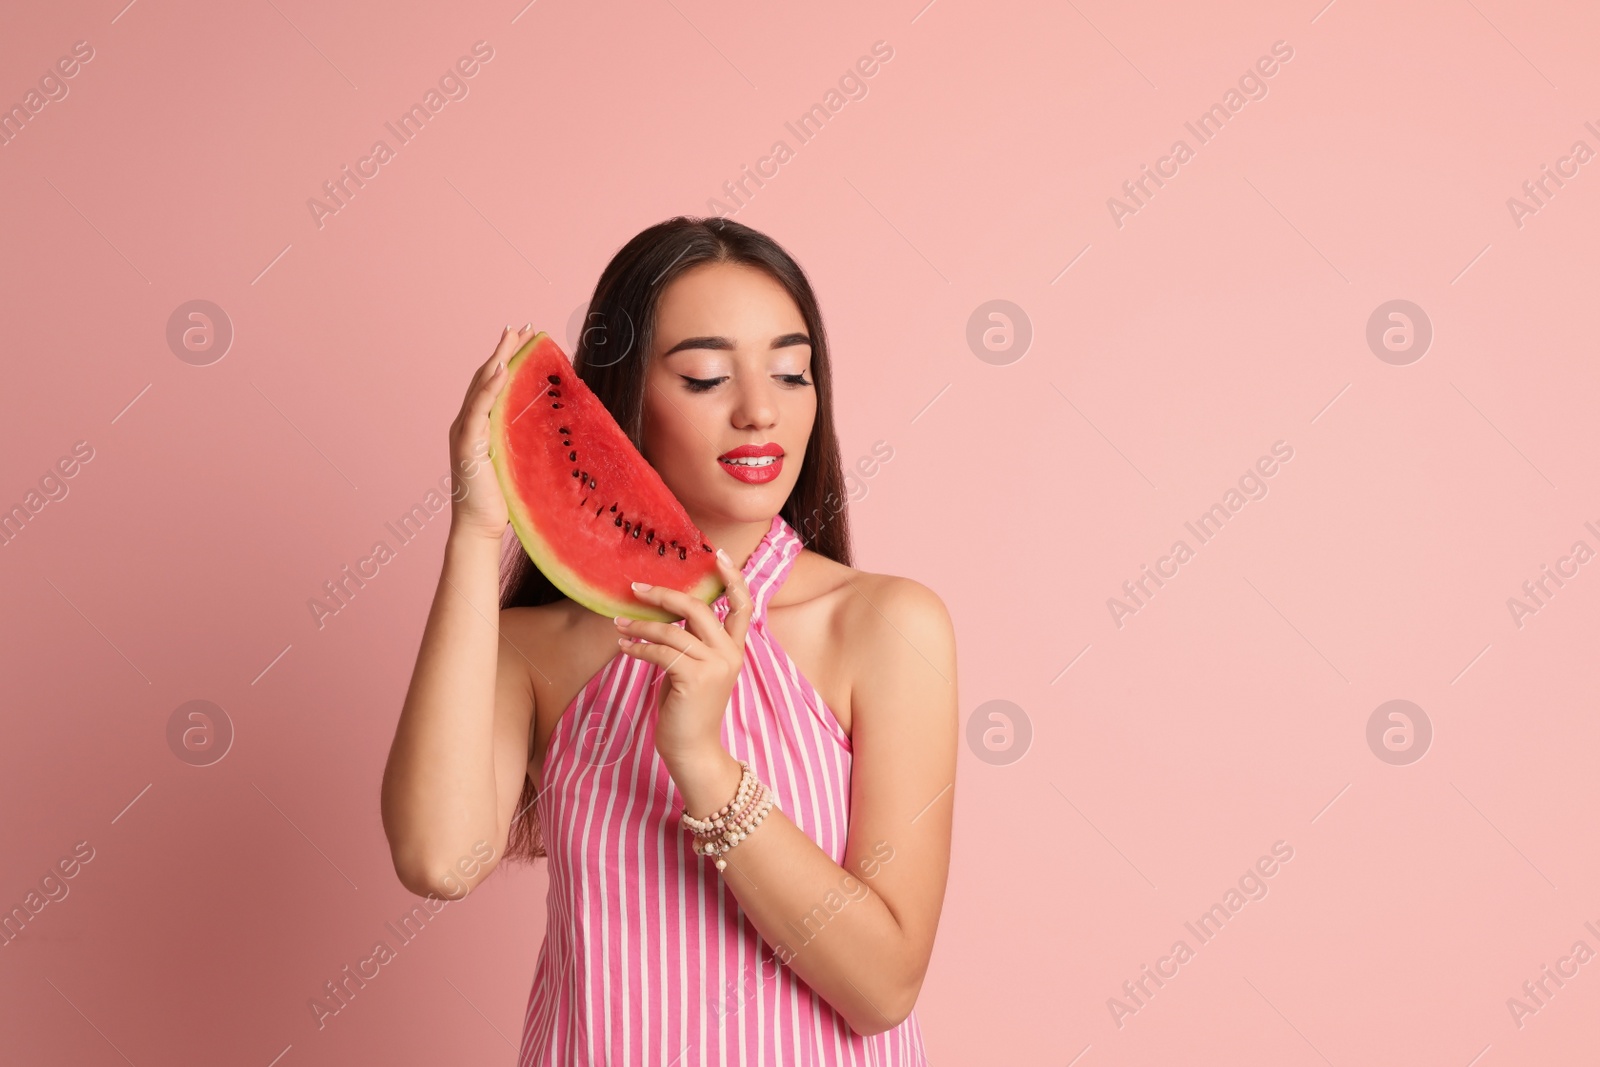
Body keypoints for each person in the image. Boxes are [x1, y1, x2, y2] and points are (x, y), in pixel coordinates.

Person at [381, 216, 957, 1065]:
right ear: (618, 406)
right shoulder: (533, 649)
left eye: (793, 372)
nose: (760, 409)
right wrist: (473, 528)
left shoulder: (884, 626)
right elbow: (438, 858)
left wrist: (704, 764)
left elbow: (883, 987)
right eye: (705, 376)